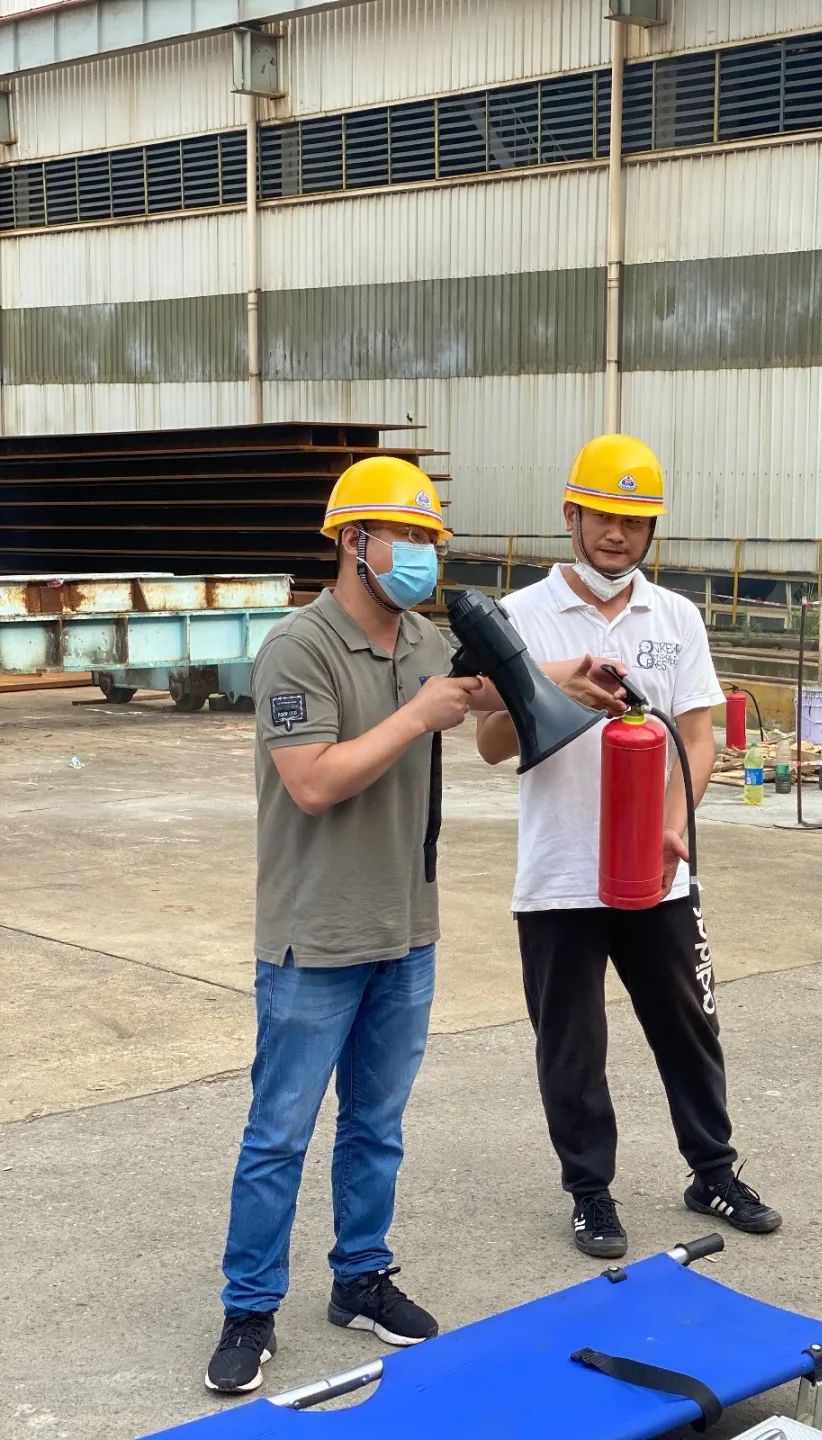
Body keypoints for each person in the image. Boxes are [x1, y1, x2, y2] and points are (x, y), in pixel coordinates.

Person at [205, 457, 617, 1395]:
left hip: (405, 933)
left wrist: (565, 673)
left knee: (377, 1126)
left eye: (432, 539)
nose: (426, 555)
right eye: (409, 537)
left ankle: (361, 1277)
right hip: (315, 940)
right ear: (354, 542)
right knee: (279, 1135)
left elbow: (477, 692)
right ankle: (250, 1308)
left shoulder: (422, 640)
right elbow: (312, 782)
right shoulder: (298, 649)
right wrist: (419, 714)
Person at [476, 434, 782, 1260]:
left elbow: (698, 735)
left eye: (635, 521)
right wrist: (551, 692)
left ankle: (712, 1172)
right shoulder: (522, 616)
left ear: (652, 530)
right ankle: (591, 1193)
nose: (617, 534)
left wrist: (674, 822)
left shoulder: (675, 617)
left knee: (689, 1026)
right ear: (570, 515)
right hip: (561, 872)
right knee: (572, 1044)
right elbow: (491, 743)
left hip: (657, 872)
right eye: (602, 516)